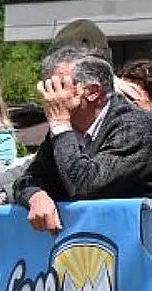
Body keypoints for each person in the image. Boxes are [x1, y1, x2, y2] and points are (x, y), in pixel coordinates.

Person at [12, 47, 152, 233]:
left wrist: (60, 125)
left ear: (93, 92)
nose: (49, 96)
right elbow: (27, 180)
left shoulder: (136, 126)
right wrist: (36, 196)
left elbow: (86, 188)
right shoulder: (65, 130)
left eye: (60, 86)